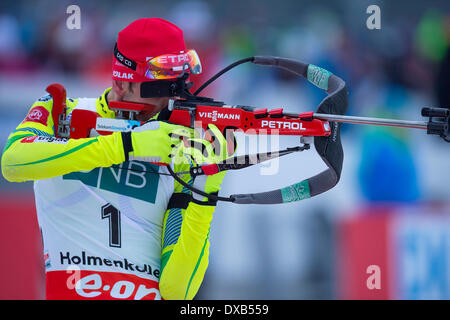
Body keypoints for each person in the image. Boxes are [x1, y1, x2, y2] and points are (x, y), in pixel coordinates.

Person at [1, 18, 230, 300]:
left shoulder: (179, 152)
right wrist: (126, 145)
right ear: (121, 83)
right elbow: (13, 162)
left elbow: (177, 291)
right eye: (158, 89)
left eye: (176, 88)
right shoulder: (63, 111)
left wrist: (208, 186)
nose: (169, 102)